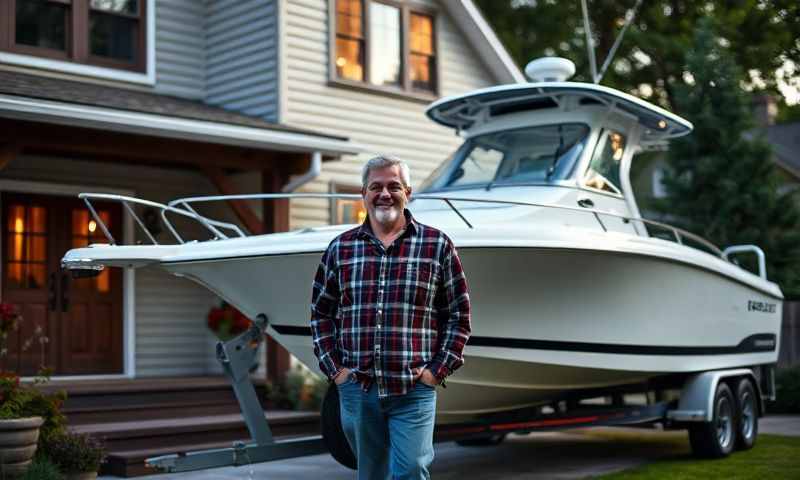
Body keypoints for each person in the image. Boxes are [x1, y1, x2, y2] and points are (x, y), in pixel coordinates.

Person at [310, 155, 472, 480]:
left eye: (394, 186)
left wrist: (434, 372)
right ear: (364, 194)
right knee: (371, 475)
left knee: (412, 470)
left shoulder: (436, 245)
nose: (385, 193)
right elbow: (321, 314)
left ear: (407, 192)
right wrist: (338, 372)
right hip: (357, 388)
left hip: (413, 388)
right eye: (376, 187)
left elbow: (458, 315)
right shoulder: (340, 249)